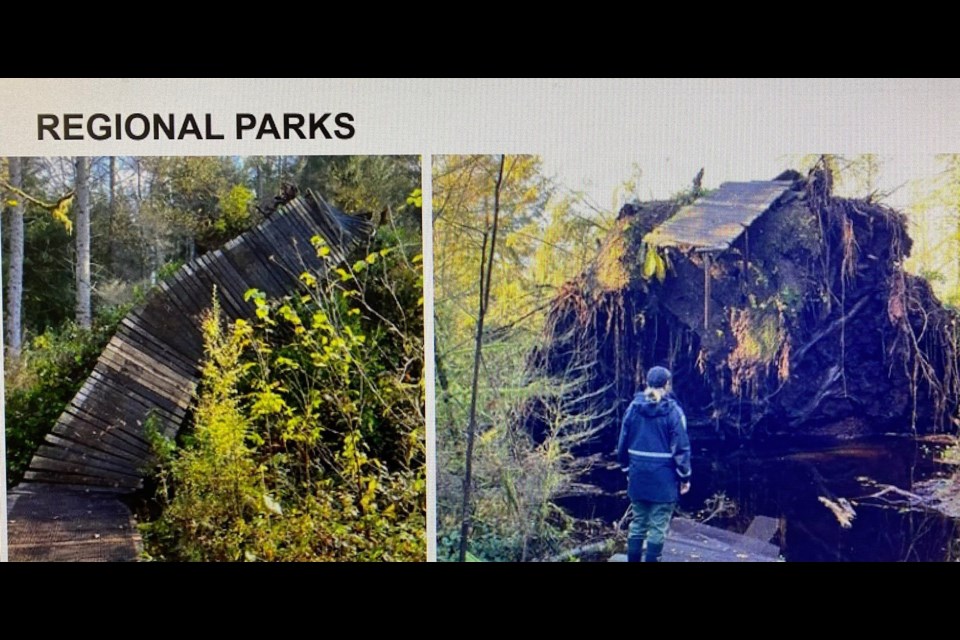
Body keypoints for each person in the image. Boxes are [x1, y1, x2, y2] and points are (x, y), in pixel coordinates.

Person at [616, 366, 692, 562]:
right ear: (666, 385)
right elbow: (681, 447)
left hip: (638, 474)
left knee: (638, 521)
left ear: (647, 383)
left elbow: (623, 442)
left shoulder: (633, 407)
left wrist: (626, 468)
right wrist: (685, 477)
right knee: (658, 526)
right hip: (664, 478)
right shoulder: (673, 411)